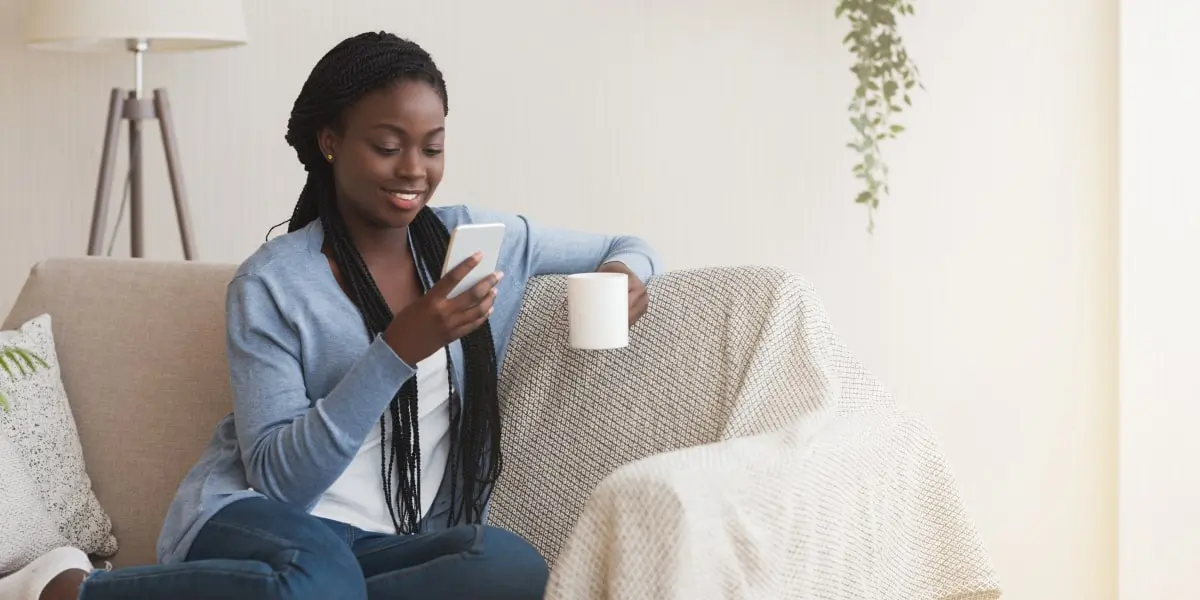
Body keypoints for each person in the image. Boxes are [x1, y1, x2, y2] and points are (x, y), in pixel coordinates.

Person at [17, 31, 662, 600]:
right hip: (258, 519)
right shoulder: (270, 284)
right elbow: (279, 482)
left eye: (431, 147)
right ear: (331, 143)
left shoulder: (475, 244)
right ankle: (66, 590)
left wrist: (624, 276)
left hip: (383, 543)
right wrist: (395, 351)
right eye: (388, 146)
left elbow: (626, 245)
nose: (414, 170)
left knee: (508, 566)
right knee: (318, 574)